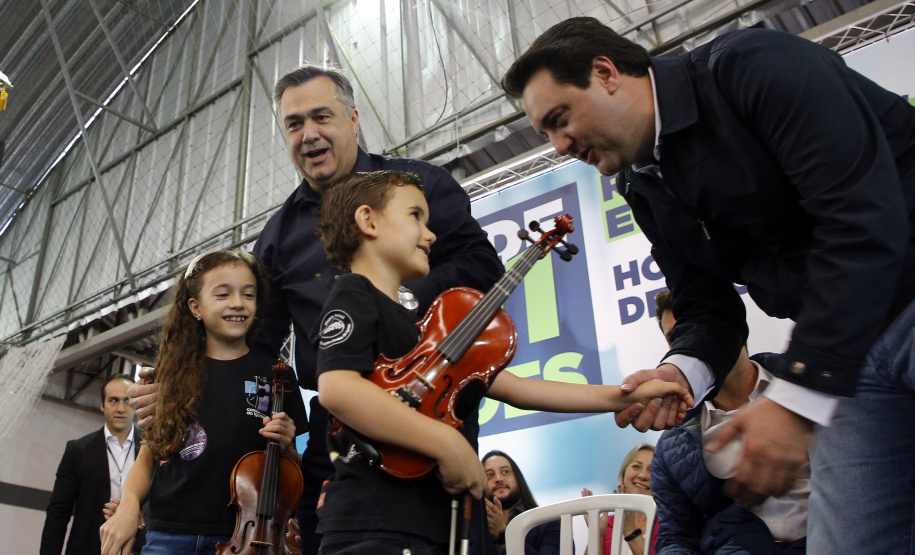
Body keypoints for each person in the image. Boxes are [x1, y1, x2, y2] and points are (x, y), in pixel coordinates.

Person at [502, 17, 915, 552]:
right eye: (546, 135)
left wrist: (797, 397)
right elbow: (704, 305)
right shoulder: (641, 184)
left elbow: (861, 220)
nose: (559, 146)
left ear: (606, 73)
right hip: (854, 361)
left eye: (560, 120)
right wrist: (679, 373)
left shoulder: (752, 68)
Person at [128, 64, 505, 554]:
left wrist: (399, 298)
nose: (308, 134)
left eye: (321, 117)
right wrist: (185, 388)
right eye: (294, 123)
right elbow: (255, 346)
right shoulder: (278, 235)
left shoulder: (421, 186)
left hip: (430, 402)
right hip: (333, 420)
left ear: (353, 118)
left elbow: (482, 266)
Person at [311, 169, 691, 553]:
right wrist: (448, 443)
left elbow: (521, 389)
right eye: (415, 216)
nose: (431, 234)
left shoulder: (422, 327)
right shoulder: (354, 293)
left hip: (429, 526)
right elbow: (338, 389)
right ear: (369, 221)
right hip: (373, 523)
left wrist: (626, 395)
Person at [99, 250, 307, 555]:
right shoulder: (171, 375)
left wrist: (287, 446)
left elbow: (292, 468)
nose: (238, 303)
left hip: (244, 538)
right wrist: (129, 506)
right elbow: (148, 457)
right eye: (223, 294)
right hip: (169, 534)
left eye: (248, 294)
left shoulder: (277, 375)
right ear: (195, 307)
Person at [650, 291, 808, 554]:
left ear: (736, 323)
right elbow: (676, 535)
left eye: (696, 327)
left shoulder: (812, 386)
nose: (689, 342)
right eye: (675, 337)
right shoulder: (671, 448)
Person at [40, 375, 142, 555]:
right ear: (102, 405)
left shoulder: (152, 450)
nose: (120, 408)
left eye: (127, 401)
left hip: (138, 549)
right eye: (113, 400)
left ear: (136, 404)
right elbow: (59, 512)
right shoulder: (78, 450)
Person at [581, 443, 657, 555]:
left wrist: (631, 532)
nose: (643, 475)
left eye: (652, 470)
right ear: (623, 474)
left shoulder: (669, 525)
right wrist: (597, 536)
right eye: (636, 466)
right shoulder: (606, 524)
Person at [483, 450, 558, 555]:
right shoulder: (474, 528)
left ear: (518, 478)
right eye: (490, 475)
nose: (498, 479)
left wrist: (503, 535)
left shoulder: (548, 521)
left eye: (505, 472)